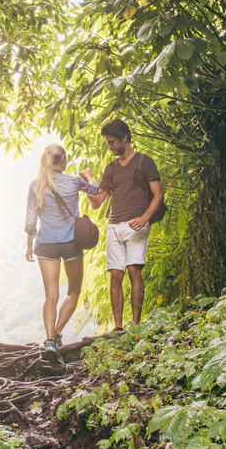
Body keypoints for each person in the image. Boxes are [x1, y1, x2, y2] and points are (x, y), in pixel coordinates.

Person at [80, 119, 163, 331]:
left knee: (134, 270)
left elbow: (158, 195)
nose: (109, 146)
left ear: (124, 138)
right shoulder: (110, 169)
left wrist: (144, 218)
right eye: (107, 142)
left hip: (137, 223)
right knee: (115, 275)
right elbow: (97, 202)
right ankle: (118, 328)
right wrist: (88, 180)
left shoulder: (145, 162)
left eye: (112, 141)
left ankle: (135, 325)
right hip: (114, 226)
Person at [25, 144, 99, 362]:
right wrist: (89, 176)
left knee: (51, 295)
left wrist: (30, 245)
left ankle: (49, 341)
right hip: (71, 243)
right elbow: (95, 191)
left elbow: (30, 222)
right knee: (73, 292)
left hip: (46, 244)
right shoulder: (74, 181)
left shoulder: (35, 185)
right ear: (63, 160)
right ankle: (57, 334)